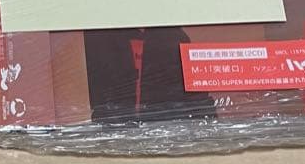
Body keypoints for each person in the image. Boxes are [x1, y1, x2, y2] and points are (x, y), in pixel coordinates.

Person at [84, 27, 217, 122]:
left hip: (162, 129)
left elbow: (196, 98)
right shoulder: (100, 38)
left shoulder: (172, 38)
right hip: (114, 130)